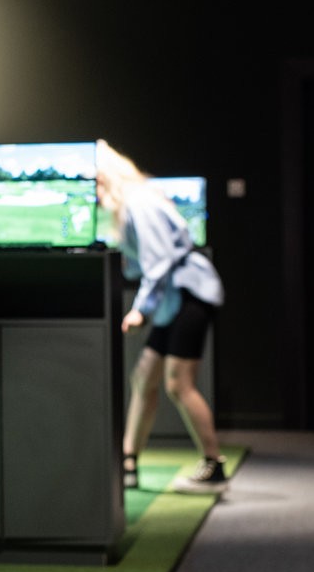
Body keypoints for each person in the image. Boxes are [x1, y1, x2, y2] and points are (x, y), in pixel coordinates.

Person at [95, 139, 229, 494]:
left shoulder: (139, 201)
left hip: (188, 294)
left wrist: (141, 310)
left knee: (178, 384)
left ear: (106, 177)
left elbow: (159, 263)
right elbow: (140, 265)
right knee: (144, 377)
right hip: (173, 300)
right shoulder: (130, 204)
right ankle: (128, 461)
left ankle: (214, 467)